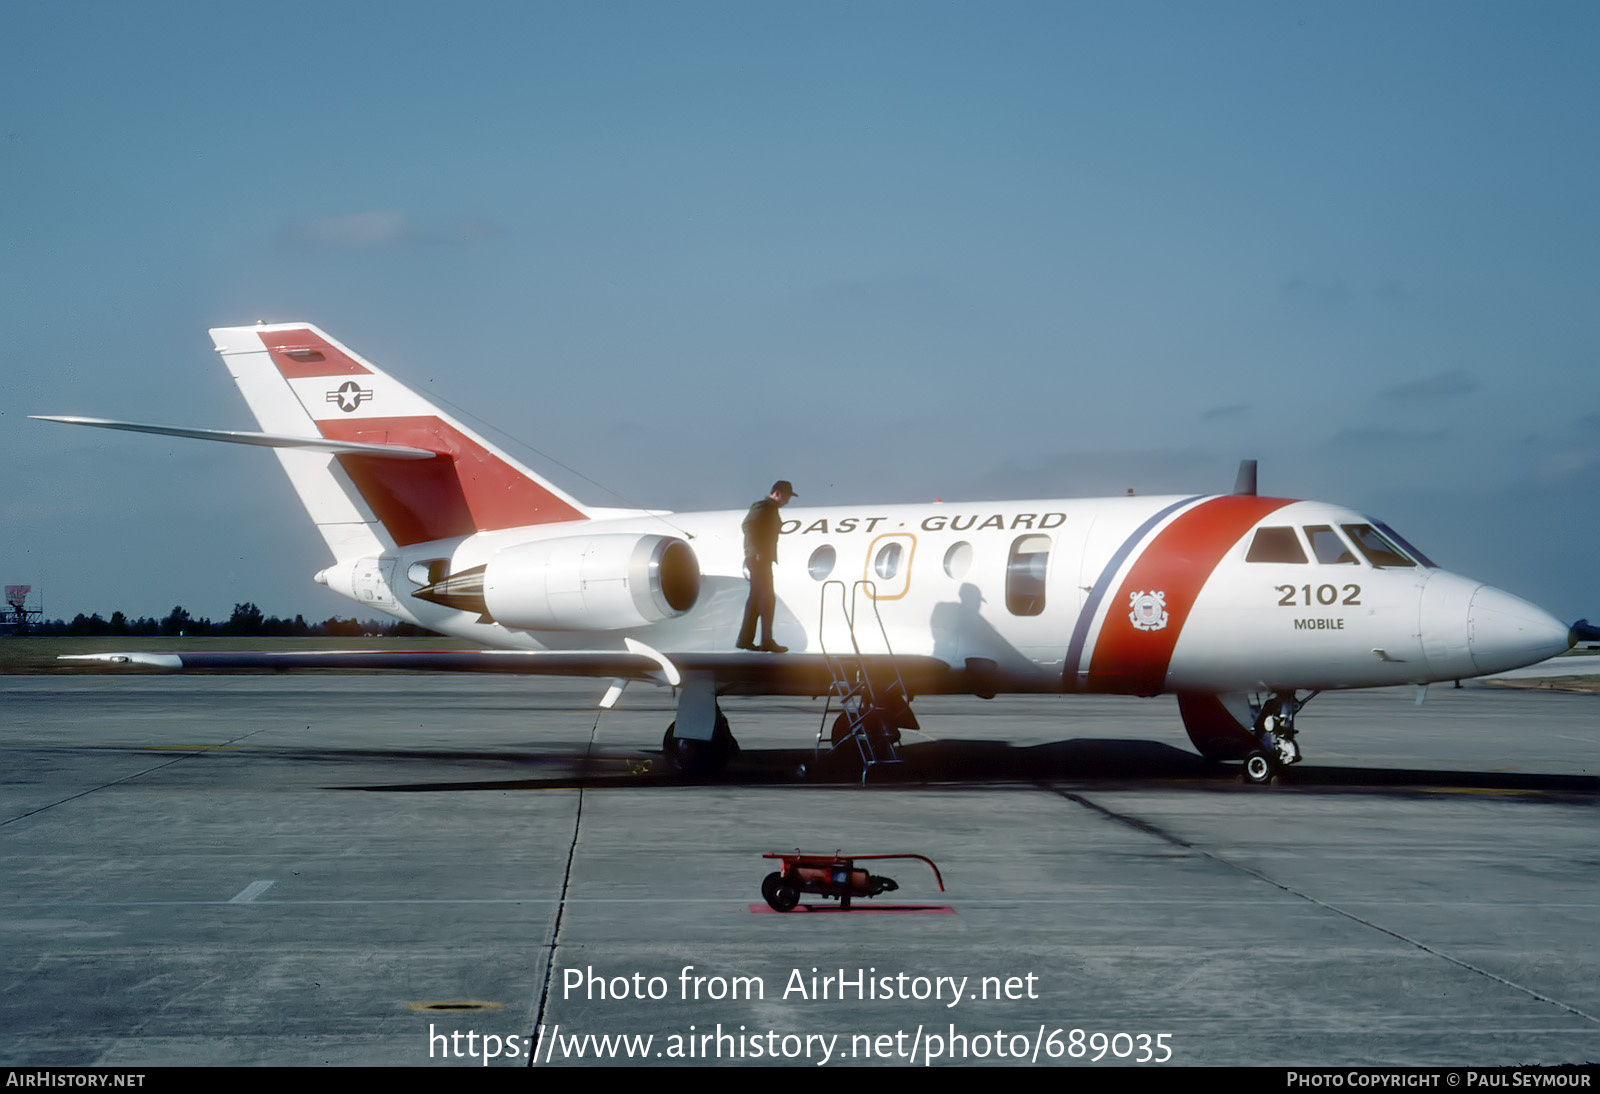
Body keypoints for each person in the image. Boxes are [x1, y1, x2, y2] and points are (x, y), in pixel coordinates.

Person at [736, 480, 795, 652]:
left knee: (756, 598)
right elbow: (748, 525)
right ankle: (766, 641)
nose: (787, 501)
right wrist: (756, 551)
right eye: (786, 497)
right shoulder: (763, 507)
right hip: (758, 558)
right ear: (777, 493)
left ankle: (745, 640)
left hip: (760, 558)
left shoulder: (771, 509)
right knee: (767, 598)